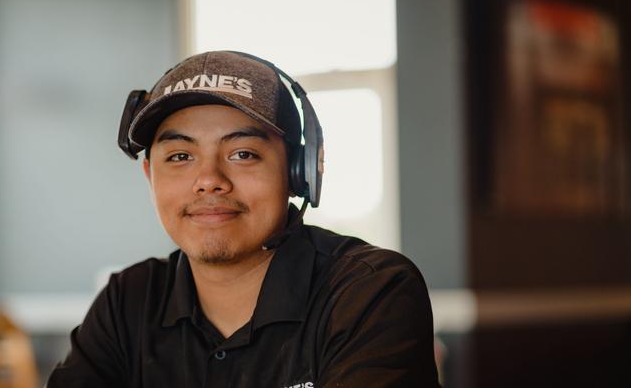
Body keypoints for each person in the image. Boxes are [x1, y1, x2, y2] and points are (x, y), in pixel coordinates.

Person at [47, 51, 440, 387]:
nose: (209, 181)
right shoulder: (127, 301)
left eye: (243, 154)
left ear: (297, 172)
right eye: (180, 157)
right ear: (150, 176)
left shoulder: (369, 291)